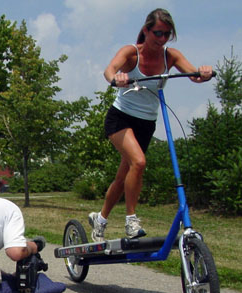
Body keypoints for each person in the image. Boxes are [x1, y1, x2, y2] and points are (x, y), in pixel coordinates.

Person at [88, 8, 213, 242]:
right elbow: (109, 70)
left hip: (146, 124)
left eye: (167, 34)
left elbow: (194, 75)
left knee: (124, 174)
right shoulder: (131, 53)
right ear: (146, 30)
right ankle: (131, 221)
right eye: (158, 33)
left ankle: (100, 219)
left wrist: (203, 72)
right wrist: (117, 78)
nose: (162, 39)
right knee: (139, 162)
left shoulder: (171, 56)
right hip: (121, 118)